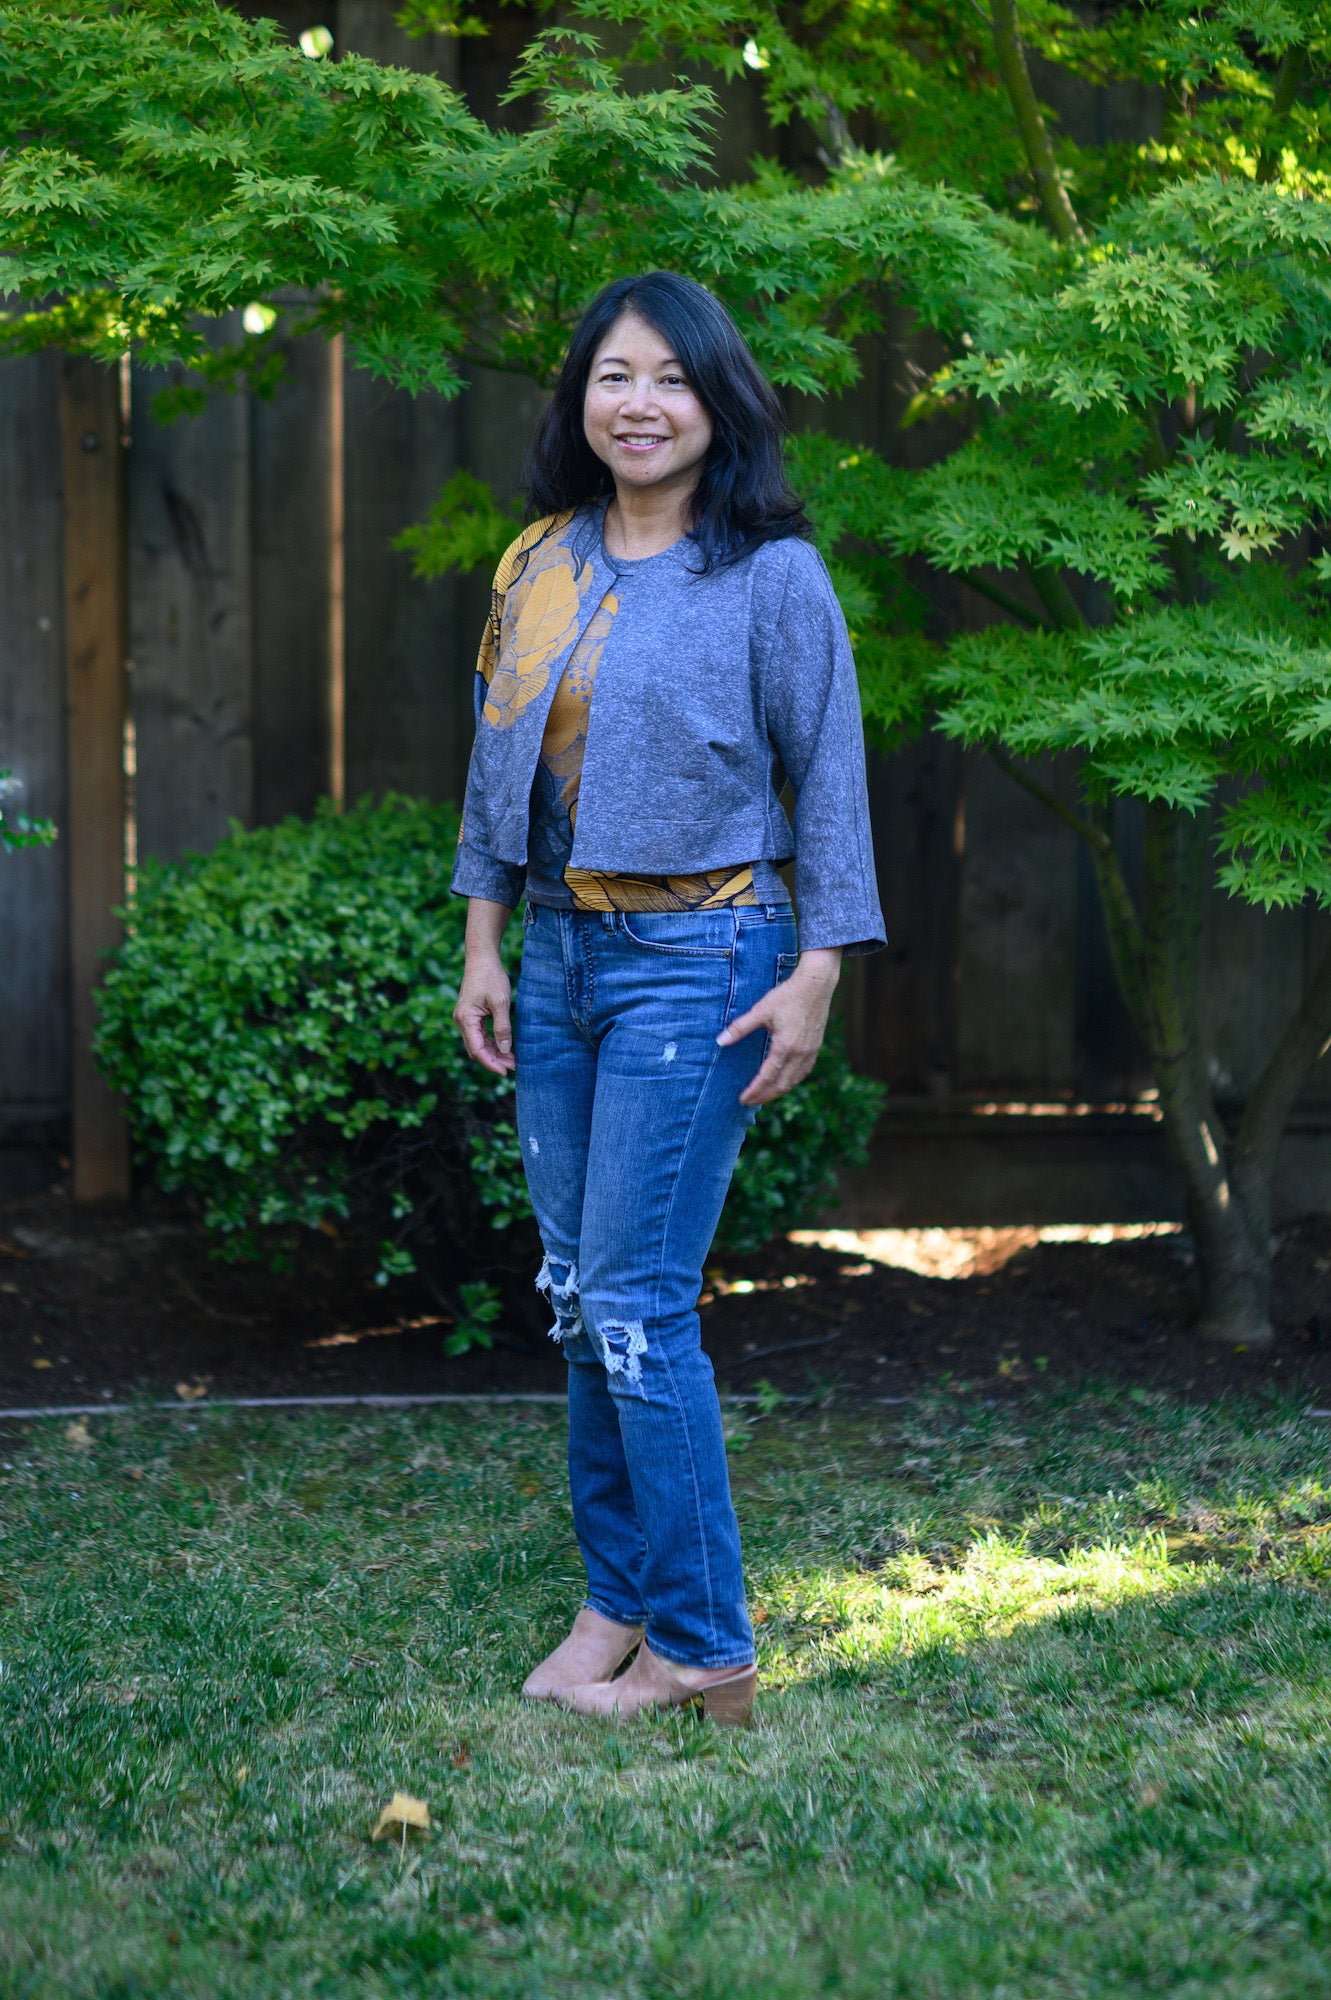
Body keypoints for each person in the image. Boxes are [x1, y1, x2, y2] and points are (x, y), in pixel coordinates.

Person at [452, 270, 884, 1725]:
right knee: (583, 1302)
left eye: (672, 380)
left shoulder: (772, 575)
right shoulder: (537, 562)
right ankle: (615, 1602)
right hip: (561, 958)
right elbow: (494, 764)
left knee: (637, 1304)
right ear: (581, 396)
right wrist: (484, 944)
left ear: (720, 402)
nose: (640, 404)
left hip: (704, 959)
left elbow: (827, 780)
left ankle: (705, 1643)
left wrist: (818, 968)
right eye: (614, 377)